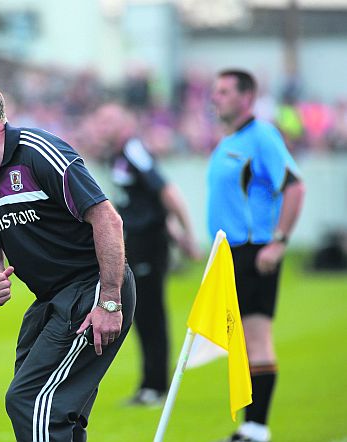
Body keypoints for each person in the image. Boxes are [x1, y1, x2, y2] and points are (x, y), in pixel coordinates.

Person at [0, 75, 136, 442]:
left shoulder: (39, 152)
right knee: (53, 410)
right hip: (52, 303)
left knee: (29, 400)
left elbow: (107, 218)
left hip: (92, 291)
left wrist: (109, 301)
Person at [208, 70, 305, 442]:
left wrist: (278, 241)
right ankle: (250, 426)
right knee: (244, 341)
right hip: (228, 255)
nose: (215, 98)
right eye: (215, 91)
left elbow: (294, 186)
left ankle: (257, 428)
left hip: (253, 251)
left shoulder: (262, 136)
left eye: (224, 91)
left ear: (247, 97)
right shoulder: (229, 141)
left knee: (257, 337)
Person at [89, 103, 201, 406]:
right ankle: (151, 384)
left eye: (108, 121)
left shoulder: (133, 150)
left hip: (149, 243)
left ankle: (155, 386)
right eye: (99, 122)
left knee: (150, 313)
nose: (101, 127)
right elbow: (147, 200)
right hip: (137, 241)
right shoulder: (116, 155)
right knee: (142, 313)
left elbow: (167, 192)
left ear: (125, 123)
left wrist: (187, 234)